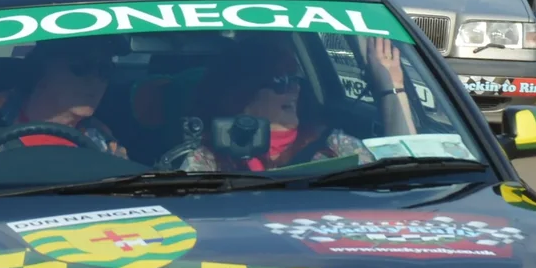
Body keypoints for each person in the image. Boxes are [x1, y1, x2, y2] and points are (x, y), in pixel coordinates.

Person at [170, 37, 413, 171]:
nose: (295, 89)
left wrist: (392, 87)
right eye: (280, 81)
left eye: (296, 79)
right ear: (242, 95)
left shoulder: (334, 145)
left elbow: (405, 172)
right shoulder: (208, 160)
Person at [0, 43, 128, 180]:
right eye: (81, 67)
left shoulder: (103, 139)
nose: (96, 80)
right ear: (43, 68)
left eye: (105, 69)